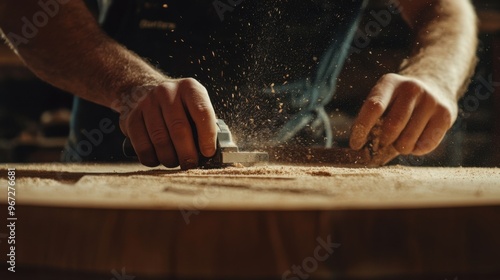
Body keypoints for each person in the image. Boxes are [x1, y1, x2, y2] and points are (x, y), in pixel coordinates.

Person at [0, 0, 478, 169]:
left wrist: (433, 74)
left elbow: (447, 7)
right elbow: (26, 9)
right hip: (117, 156)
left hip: (305, 164)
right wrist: (131, 86)